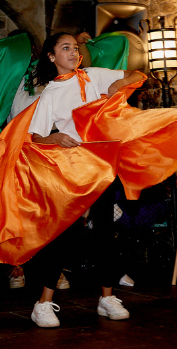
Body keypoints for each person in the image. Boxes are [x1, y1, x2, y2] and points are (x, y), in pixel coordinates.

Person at [27, 32, 144, 328]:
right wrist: (55, 137)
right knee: (65, 233)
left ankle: (107, 298)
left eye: (75, 47)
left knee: (104, 231)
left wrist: (116, 85)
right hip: (73, 167)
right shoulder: (51, 93)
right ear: (52, 57)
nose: (72, 51)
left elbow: (135, 73)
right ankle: (43, 303)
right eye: (65, 48)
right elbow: (35, 137)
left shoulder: (93, 75)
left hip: (103, 164)